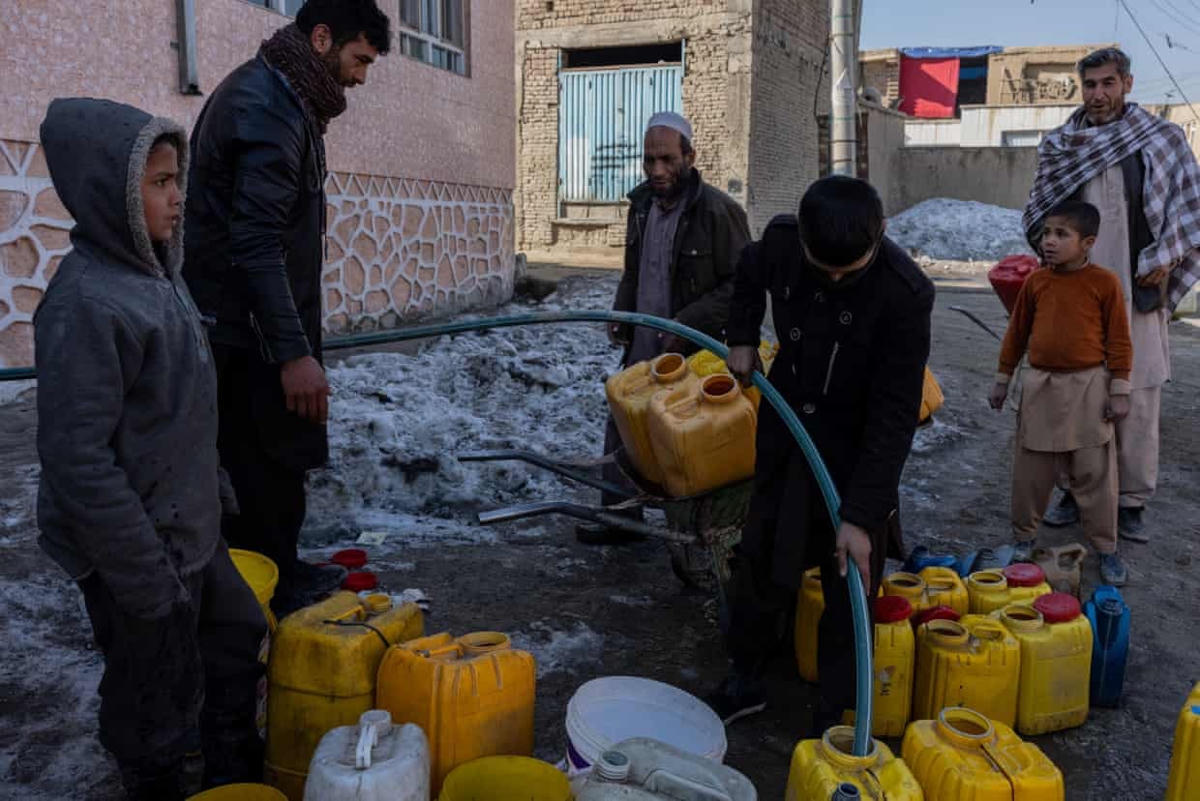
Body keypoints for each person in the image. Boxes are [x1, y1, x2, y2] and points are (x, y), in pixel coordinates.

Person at [34, 98, 267, 799]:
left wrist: (213, 485)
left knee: (234, 639)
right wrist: (143, 578)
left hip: (185, 526)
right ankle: (157, 780)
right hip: (133, 550)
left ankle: (231, 775)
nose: (177, 196)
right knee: (153, 699)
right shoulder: (86, 305)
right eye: (159, 182)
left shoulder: (159, 277)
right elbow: (78, 461)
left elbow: (181, 406)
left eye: (177, 179)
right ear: (110, 192)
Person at [184, 0, 391, 613]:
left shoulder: (286, 96)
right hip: (247, 335)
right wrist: (293, 351)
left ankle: (276, 572)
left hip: (255, 329)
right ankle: (260, 596)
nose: (360, 77)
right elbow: (254, 244)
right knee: (264, 464)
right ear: (322, 38)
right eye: (358, 60)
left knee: (272, 464)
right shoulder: (268, 106)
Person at [706, 176, 934, 731]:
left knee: (849, 575)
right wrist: (741, 333)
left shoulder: (905, 294)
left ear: (879, 236)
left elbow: (895, 415)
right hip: (787, 425)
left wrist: (861, 515)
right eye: (821, 267)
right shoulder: (781, 243)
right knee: (760, 553)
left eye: (847, 271)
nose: (833, 279)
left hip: (855, 445)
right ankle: (747, 672)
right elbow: (749, 272)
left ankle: (836, 709)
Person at [1025, 47, 1200, 543]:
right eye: (1090, 85)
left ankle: (1131, 500)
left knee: (1138, 395)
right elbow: (1041, 213)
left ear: (1126, 83)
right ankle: (1073, 490)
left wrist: (1166, 257)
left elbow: (1191, 206)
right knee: (1075, 390)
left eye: (1107, 83)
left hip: (1138, 283)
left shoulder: (1161, 139)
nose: (1098, 94)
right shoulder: (1063, 144)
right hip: (1076, 289)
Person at [580, 111, 751, 544]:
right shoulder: (641, 207)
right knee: (621, 423)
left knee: (685, 438)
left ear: (689, 157)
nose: (656, 170)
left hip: (691, 354)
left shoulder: (718, 212)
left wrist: (686, 324)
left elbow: (742, 286)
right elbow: (634, 271)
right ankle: (621, 519)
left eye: (667, 159)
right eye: (649, 160)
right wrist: (621, 314)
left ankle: (697, 536)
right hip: (643, 344)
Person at [990, 201, 1133, 585]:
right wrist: (1003, 379)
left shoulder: (1105, 284)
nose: (1048, 241)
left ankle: (1106, 548)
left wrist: (1119, 390)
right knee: (1031, 472)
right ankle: (1024, 538)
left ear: (1087, 242)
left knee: (1095, 473)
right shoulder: (1036, 282)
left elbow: (1119, 340)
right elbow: (1016, 334)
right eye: (1046, 233)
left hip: (1088, 388)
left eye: (1060, 234)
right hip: (1041, 388)